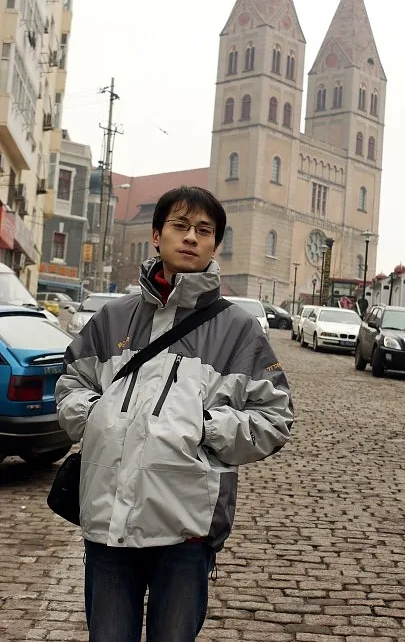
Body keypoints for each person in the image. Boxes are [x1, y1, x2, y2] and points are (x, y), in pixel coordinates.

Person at [56, 186, 293, 642]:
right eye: (180, 226)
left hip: (187, 530)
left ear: (215, 244)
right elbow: (71, 385)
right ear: (156, 235)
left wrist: (204, 427)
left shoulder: (239, 331)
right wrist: (99, 417)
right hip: (109, 523)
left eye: (203, 230)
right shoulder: (112, 318)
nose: (190, 237)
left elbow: (274, 417)